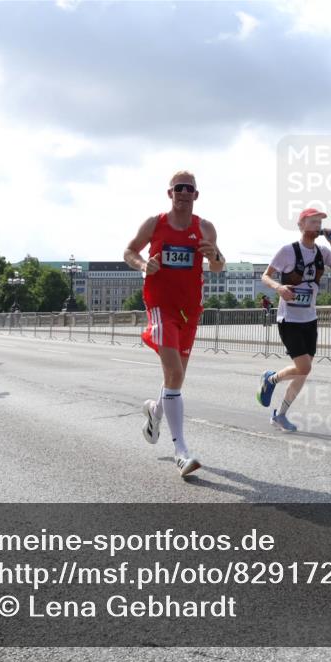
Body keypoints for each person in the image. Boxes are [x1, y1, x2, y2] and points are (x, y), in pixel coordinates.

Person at [123, 170, 224, 477]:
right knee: (175, 373)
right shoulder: (155, 223)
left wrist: (215, 254)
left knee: (174, 378)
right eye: (177, 188)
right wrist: (144, 264)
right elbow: (129, 251)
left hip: (189, 310)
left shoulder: (204, 227)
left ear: (196, 195)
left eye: (188, 188)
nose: (183, 192)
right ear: (170, 194)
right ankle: (181, 450)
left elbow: (218, 267)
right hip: (160, 306)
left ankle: (155, 411)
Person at [257, 208, 331, 430]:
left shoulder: (324, 252)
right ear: (301, 224)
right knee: (304, 367)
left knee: (303, 371)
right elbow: (265, 276)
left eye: (320, 222)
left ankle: (280, 414)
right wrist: (279, 288)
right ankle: (271, 379)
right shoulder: (288, 251)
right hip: (289, 318)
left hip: (310, 318)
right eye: (313, 221)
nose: (317, 225)